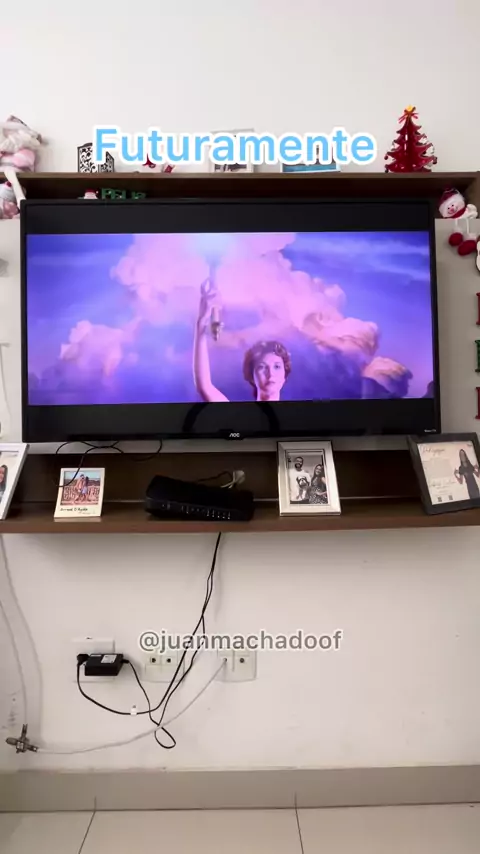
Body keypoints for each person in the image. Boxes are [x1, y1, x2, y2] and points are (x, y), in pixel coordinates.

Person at [193, 279, 291, 402]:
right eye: (262, 367)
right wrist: (202, 321)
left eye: (277, 367)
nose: (270, 374)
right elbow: (205, 386)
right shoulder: (239, 412)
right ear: (252, 376)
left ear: (285, 375)